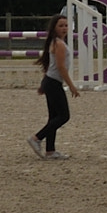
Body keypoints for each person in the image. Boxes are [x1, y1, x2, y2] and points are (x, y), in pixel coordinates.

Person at [29, 13, 79, 159]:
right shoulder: (59, 44)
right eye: (61, 26)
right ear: (54, 28)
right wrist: (71, 86)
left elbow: (49, 66)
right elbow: (60, 67)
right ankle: (36, 138)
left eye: (66, 25)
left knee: (54, 117)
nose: (64, 28)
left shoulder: (56, 42)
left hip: (50, 81)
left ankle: (50, 150)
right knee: (64, 116)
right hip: (54, 82)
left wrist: (43, 83)